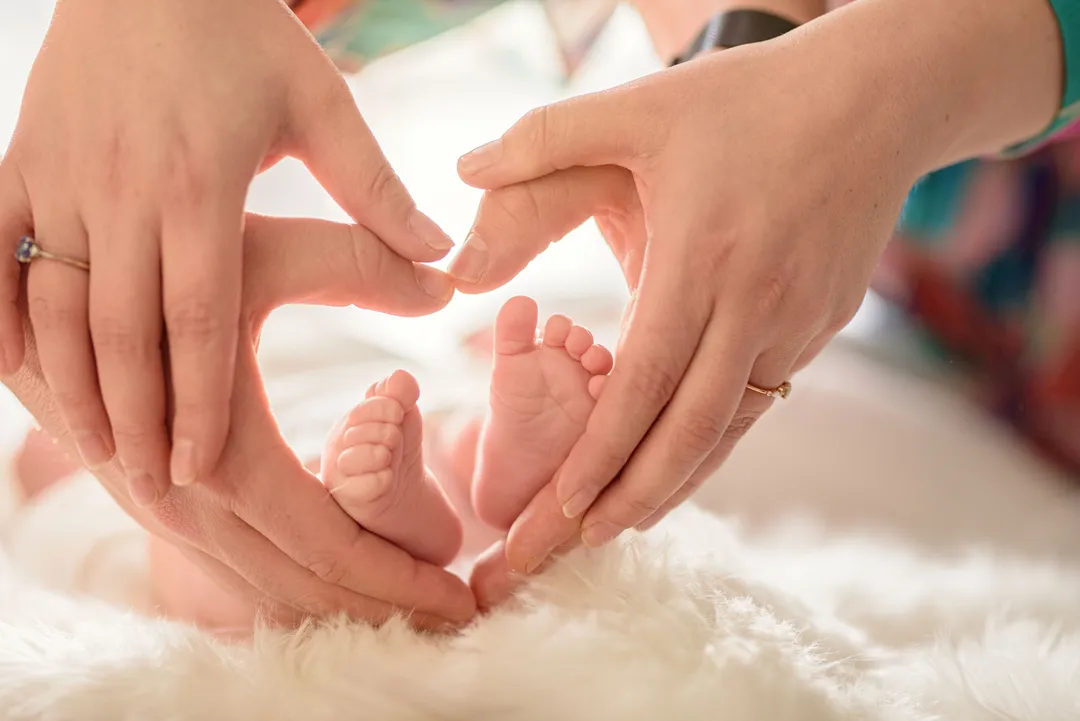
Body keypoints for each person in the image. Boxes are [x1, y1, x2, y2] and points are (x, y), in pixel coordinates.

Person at [1, 0, 1075, 622]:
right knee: (156, 475)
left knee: (153, 525)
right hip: (971, 308)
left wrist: (905, 76)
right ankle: (471, 468)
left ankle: (449, 479)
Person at [14, 295, 613, 629]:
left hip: (318, 417)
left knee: (205, 554)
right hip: (332, 413)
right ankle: (468, 463)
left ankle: (466, 466)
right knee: (188, 548)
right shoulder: (67, 494)